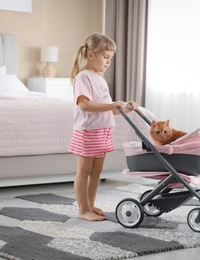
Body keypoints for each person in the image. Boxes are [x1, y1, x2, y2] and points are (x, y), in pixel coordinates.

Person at [68, 33, 138, 221]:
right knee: (84, 171)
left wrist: (125, 108)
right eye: (105, 57)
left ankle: (90, 205)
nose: (108, 61)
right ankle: (82, 210)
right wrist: (112, 105)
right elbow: (84, 105)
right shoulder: (83, 77)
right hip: (88, 131)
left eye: (110, 58)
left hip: (103, 130)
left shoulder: (100, 79)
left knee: (97, 171)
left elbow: (109, 110)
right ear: (90, 55)